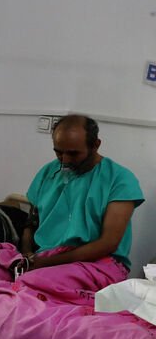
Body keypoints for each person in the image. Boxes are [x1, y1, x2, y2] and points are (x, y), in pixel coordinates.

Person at [18, 114, 143, 273]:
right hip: (44, 257)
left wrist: (47, 263)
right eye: (58, 152)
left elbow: (108, 243)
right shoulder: (48, 172)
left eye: (73, 154)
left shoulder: (119, 179)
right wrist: (27, 254)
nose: (64, 160)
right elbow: (31, 223)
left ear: (96, 145)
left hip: (98, 263)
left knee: (33, 283)